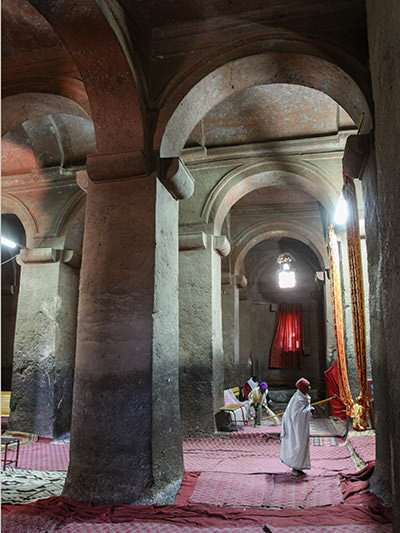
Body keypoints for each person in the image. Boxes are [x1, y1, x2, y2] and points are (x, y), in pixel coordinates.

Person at [280, 377, 314, 476]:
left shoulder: (303, 396)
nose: (310, 388)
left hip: (300, 426)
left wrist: (308, 409)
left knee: (301, 445)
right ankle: (295, 467)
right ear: (302, 388)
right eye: (308, 386)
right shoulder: (298, 399)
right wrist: (309, 411)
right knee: (297, 444)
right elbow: (297, 415)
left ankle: (299, 467)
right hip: (295, 427)